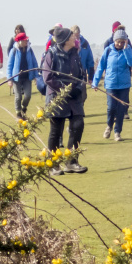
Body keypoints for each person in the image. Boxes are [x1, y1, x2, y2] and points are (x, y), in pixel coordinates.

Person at [42, 27, 88, 175]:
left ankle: (71, 161)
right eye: (71, 37)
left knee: (78, 124)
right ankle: (53, 164)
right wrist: (65, 89)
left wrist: (78, 88)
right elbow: (48, 78)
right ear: (65, 40)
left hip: (74, 97)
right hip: (57, 97)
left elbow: (81, 75)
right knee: (56, 131)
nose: (75, 39)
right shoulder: (52, 54)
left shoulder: (76, 54)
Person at [92, 29, 132, 142]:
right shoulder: (108, 50)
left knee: (121, 109)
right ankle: (109, 126)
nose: (120, 44)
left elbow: (131, 63)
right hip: (111, 85)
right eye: (118, 42)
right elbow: (101, 67)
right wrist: (95, 82)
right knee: (111, 108)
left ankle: (117, 132)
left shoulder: (127, 49)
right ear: (114, 40)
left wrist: (126, 50)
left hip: (124, 85)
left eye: (123, 42)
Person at [103, 22, 132, 118]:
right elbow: (105, 61)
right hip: (112, 74)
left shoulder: (127, 41)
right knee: (113, 97)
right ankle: (114, 114)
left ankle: (125, 112)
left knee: (124, 95)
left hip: (125, 72)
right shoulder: (108, 43)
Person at [7, 32, 38, 120]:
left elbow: (34, 63)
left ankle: (24, 108)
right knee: (18, 96)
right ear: (19, 41)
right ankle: (18, 113)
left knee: (28, 95)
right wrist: (9, 79)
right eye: (25, 40)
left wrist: (36, 76)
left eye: (26, 40)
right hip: (17, 77)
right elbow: (9, 65)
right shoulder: (14, 51)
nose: (26, 41)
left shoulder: (29, 50)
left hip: (27, 77)